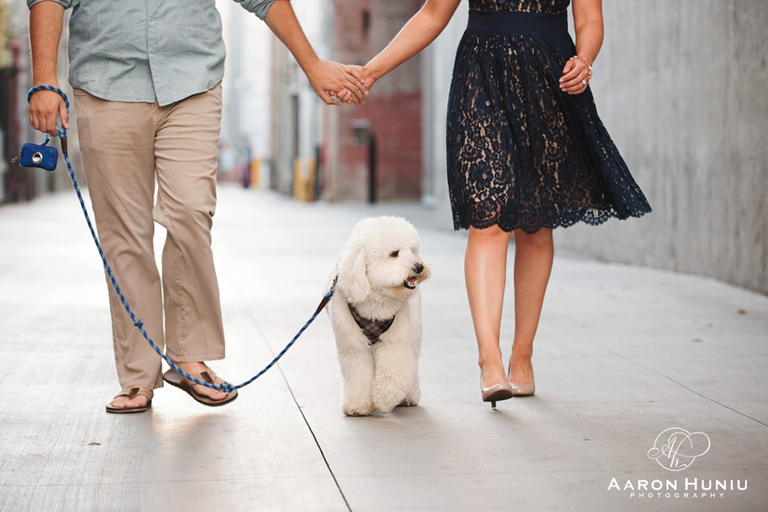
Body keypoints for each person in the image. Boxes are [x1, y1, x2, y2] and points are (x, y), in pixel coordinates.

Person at [27, 0, 366, 413]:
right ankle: (138, 376)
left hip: (192, 81)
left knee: (190, 210)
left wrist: (311, 64)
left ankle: (190, 358)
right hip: (105, 84)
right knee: (124, 232)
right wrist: (44, 80)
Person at [341, 0, 651, 407]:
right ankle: (490, 362)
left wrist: (584, 59)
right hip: (482, 76)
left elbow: (590, 19)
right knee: (487, 222)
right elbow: (434, 13)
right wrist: (370, 71)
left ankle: (522, 356)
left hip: (550, 79)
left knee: (537, 226)